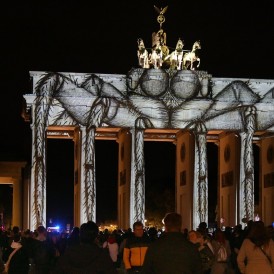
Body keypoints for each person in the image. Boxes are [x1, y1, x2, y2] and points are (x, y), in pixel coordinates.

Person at [53, 221, 117, 274]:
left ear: (80, 235)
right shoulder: (102, 256)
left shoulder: (68, 253)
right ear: (96, 237)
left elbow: (58, 270)